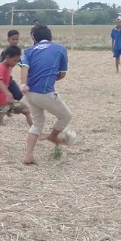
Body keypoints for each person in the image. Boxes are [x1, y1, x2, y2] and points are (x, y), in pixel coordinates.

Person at [20, 25, 72, 165]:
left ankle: (28, 155)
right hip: (44, 92)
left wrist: (23, 84)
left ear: (33, 38)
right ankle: (53, 137)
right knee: (66, 116)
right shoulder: (60, 49)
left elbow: (25, 67)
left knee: (37, 123)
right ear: (50, 36)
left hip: (29, 92)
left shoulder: (29, 50)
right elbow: (62, 74)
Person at [0, 30, 24, 103]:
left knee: (18, 95)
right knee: (17, 95)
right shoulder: (6, 52)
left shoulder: (17, 51)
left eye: (17, 39)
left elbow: (21, 63)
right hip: (3, 78)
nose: (15, 41)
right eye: (13, 39)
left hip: (8, 77)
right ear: (8, 39)